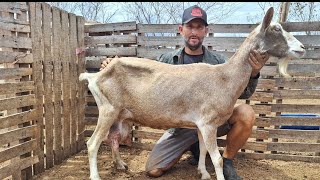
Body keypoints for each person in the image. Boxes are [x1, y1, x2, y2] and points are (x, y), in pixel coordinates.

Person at [100, 5, 269, 180]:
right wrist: (112, 68)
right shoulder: (167, 61)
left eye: (199, 27)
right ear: (181, 30)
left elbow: (244, 94)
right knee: (153, 170)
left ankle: (226, 162)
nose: (194, 32)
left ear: (206, 31)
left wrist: (254, 73)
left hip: (211, 121)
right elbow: (143, 74)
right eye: (190, 27)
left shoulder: (218, 63)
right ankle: (191, 149)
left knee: (246, 112)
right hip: (179, 128)